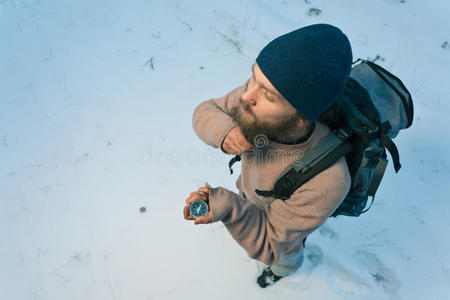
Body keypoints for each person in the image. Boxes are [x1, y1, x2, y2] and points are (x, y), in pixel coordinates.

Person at [184, 23, 353, 288]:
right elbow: (207, 109)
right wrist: (224, 131)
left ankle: (283, 274)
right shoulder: (254, 98)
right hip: (252, 192)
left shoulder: (328, 180)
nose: (246, 96)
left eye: (269, 96)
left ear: (300, 119)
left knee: (285, 257)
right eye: (253, 77)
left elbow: (269, 241)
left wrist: (227, 207)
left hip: (282, 230)